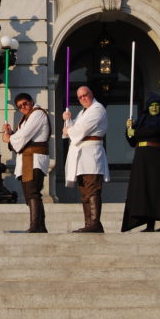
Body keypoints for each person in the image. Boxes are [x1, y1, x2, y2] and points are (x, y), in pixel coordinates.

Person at [122, 94, 160, 232]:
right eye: (151, 105)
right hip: (142, 160)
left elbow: (157, 133)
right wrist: (128, 130)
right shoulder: (141, 121)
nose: (154, 108)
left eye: (157, 105)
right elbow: (132, 142)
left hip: (158, 159)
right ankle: (149, 225)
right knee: (146, 191)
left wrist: (136, 132)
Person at [62, 85, 109, 233]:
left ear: (91, 93)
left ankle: (95, 222)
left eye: (85, 95)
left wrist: (69, 129)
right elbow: (72, 129)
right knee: (84, 191)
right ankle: (89, 223)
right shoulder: (83, 112)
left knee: (92, 188)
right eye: (80, 97)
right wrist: (68, 120)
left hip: (91, 153)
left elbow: (81, 130)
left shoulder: (97, 109)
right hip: (81, 155)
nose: (83, 98)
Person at [2, 92, 51, 233]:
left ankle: (36, 225)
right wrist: (11, 133)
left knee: (33, 191)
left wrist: (9, 139)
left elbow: (25, 135)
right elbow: (21, 137)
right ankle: (40, 225)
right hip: (26, 158)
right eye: (20, 106)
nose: (23, 107)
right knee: (30, 193)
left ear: (31, 101)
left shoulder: (38, 114)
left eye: (25, 103)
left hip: (35, 158)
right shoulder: (25, 118)